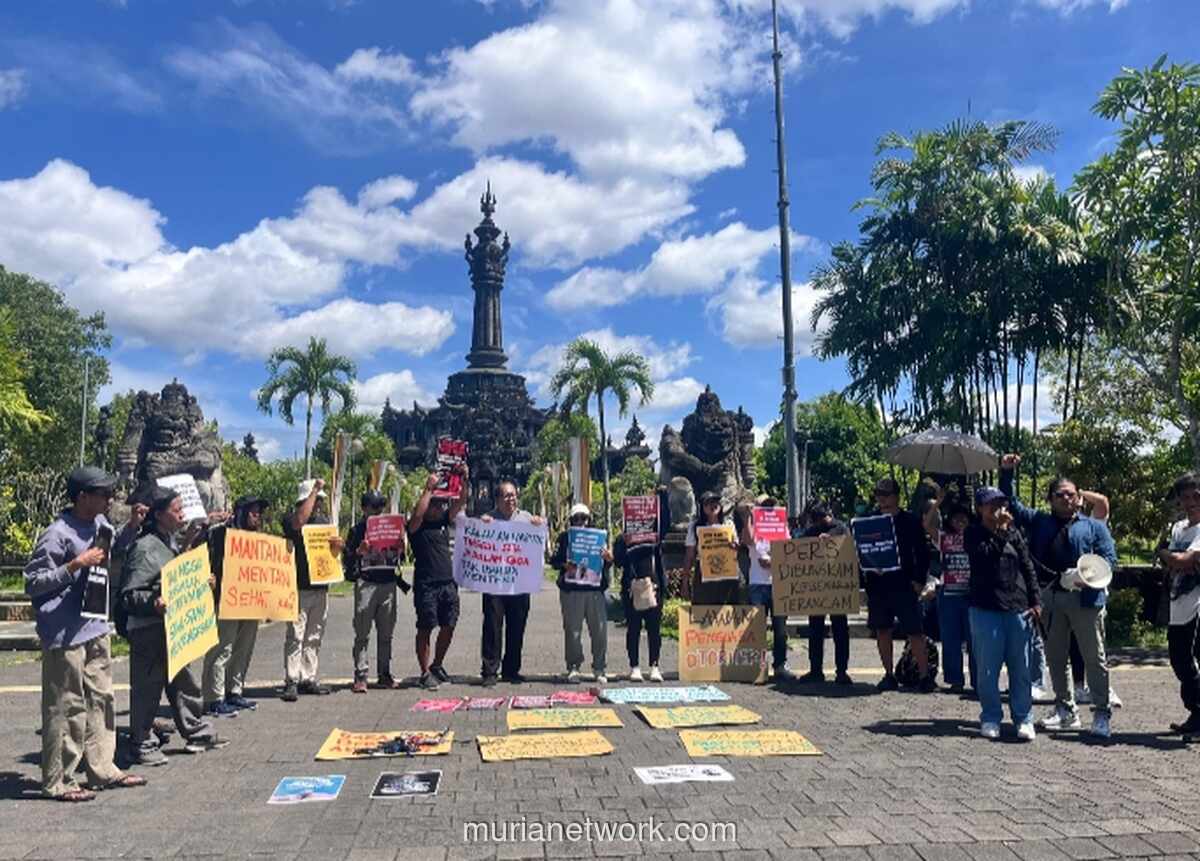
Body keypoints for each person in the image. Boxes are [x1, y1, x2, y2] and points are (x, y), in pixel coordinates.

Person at [23, 466, 149, 801]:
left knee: (102, 699)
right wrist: (75, 565)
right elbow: (33, 583)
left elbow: (112, 549)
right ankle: (58, 780)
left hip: (95, 625)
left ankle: (102, 768)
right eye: (104, 494)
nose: (110, 499)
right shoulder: (56, 534)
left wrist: (131, 528)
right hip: (64, 633)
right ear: (82, 497)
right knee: (66, 706)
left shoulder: (101, 524)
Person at [1000, 454, 1118, 738]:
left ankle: (1101, 713)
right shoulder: (1039, 521)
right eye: (1060, 495)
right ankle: (1066, 710)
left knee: (1094, 657)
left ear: (1079, 499)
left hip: (1086, 599)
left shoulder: (1094, 527)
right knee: (1055, 656)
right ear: (1050, 499)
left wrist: (1085, 579)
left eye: (1072, 494)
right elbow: (1012, 504)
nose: (1067, 499)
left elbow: (1109, 559)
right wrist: (1006, 474)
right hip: (1051, 596)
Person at [122, 486, 230, 765]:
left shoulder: (166, 543)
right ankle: (141, 743)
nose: (182, 513)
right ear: (159, 514)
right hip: (149, 630)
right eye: (177, 508)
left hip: (171, 630)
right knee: (147, 688)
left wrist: (202, 583)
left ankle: (197, 732)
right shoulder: (145, 548)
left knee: (183, 681)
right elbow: (131, 594)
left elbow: (173, 580)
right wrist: (153, 603)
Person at [966, 487, 1041, 741]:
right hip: (985, 608)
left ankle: (1024, 718)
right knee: (988, 668)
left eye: (1001, 503)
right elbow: (984, 558)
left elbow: (1027, 566)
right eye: (991, 504)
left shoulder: (1015, 533)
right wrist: (1000, 532)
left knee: (1021, 667)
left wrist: (1036, 600)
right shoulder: (973, 533)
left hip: (1017, 607)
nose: (997, 508)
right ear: (980, 509)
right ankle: (990, 717)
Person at [862, 478, 934, 693]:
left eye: (885, 494)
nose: (881, 498)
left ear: (896, 496)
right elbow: (862, 551)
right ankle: (888, 674)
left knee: (915, 631)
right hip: (878, 584)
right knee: (882, 629)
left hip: (905, 584)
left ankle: (924, 676)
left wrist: (919, 581)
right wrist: (867, 572)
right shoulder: (868, 521)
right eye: (878, 494)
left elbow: (922, 552)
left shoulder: (910, 521)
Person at [202, 495, 268, 716]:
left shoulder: (258, 538)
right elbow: (202, 552)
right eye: (252, 511)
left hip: (250, 601)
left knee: (243, 649)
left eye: (259, 511)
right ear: (240, 512)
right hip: (226, 598)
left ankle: (234, 691)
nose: (257, 515)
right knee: (222, 648)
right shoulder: (220, 533)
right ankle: (214, 697)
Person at [280, 478, 344, 702]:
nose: (318, 504)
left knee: (314, 635)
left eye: (320, 500)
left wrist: (338, 546)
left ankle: (308, 677)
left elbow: (331, 553)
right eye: (315, 500)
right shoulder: (291, 519)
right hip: (299, 587)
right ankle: (291, 679)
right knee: (296, 635)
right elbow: (299, 522)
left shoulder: (324, 522)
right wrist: (315, 490)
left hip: (320, 588)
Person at [479, 479, 545, 686]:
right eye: (507, 496)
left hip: (520, 583)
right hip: (495, 583)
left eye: (514, 495)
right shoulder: (489, 519)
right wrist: (481, 526)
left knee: (517, 627)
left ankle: (511, 669)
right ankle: (490, 671)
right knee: (492, 627)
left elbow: (540, 542)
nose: (511, 499)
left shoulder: (527, 519)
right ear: (497, 499)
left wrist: (539, 525)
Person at [407, 467, 469, 690]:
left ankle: (437, 664)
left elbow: (460, 502)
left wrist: (464, 478)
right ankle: (424, 672)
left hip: (447, 583)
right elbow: (417, 515)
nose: (439, 507)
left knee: (449, 625)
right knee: (425, 627)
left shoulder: (443, 522)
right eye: (434, 504)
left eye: (441, 504)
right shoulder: (416, 527)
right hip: (427, 584)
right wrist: (429, 489)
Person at [344, 490, 408, 692]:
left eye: (381, 506)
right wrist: (358, 552)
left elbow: (400, 558)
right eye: (374, 507)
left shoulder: (391, 528)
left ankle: (384, 673)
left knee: (386, 633)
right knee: (362, 632)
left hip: (388, 583)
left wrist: (400, 547)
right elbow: (347, 559)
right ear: (364, 508)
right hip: (367, 583)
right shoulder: (357, 530)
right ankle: (361, 674)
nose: (378, 511)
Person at [551, 503, 613, 683]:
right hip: (572, 591)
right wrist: (564, 564)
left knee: (600, 630)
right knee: (573, 631)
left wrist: (609, 559)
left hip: (594, 590)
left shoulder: (598, 538)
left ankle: (599, 668)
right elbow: (554, 560)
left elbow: (606, 564)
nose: (581, 522)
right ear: (571, 520)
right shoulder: (564, 537)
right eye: (576, 518)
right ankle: (573, 667)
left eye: (584, 518)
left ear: (589, 520)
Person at [1158, 472, 1200, 735]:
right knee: (1179, 660)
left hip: (1198, 605)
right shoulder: (1179, 528)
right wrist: (1171, 557)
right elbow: (1173, 562)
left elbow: (1183, 561)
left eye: (1196, 495)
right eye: (1185, 497)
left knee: (1194, 659)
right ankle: (1195, 712)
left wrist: (1166, 554)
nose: (1191, 501)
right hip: (1178, 603)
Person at [797, 500, 853, 685]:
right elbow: (798, 548)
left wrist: (831, 540)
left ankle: (842, 671)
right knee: (815, 629)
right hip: (817, 589)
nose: (825, 521)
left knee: (840, 629)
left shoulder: (841, 528)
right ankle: (815, 670)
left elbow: (849, 546)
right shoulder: (812, 531)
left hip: (837, 587)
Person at [613, 526, 667, 683]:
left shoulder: (655, 534)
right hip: (632, 587)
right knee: (633, 628)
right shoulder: (623, 537)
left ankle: (655, 666)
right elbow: (618, 561)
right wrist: (624, 542)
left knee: (654, 629)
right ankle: (634, 667)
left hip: (653, 586)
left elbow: (660, 557)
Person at [937, 505, 977, 694]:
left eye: (964, 519)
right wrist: (938, 503)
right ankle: (955, 680)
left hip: (972, 595)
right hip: (949, 594)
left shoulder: (978, 537)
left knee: (976, 640)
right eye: (956, 519)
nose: (960, 522)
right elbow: (927, 524)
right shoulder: (943, 538)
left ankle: (979, 680)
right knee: (950, 639)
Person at [681, 490, 741, 606]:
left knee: (726, 611)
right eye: (708, 503)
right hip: (704, 575)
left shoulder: (728, 524)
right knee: (703, 612)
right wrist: (685, 581)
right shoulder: (695, 527)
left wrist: (734, 547)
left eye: (716, 502)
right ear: (702, 508)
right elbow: (689, 555)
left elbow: (736, 548)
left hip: (726, 575)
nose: (713, 506)